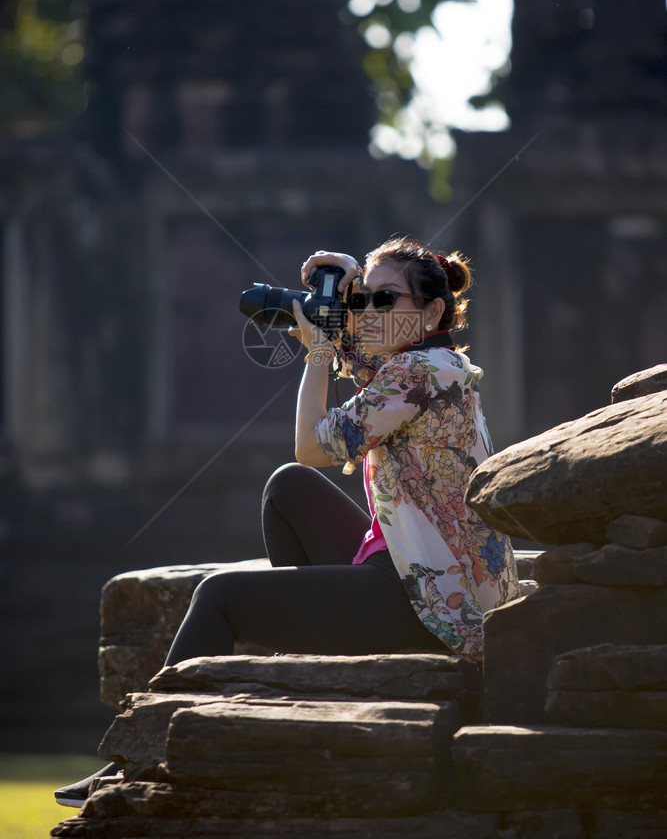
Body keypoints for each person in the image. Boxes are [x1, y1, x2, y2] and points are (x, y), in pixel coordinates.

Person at [55, 235, 519, 809]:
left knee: (221, 594)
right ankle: (311, 650)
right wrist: (346, 283)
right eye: (362, 300)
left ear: (430, 311)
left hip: (432, 605)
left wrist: (319, 354)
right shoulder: (421, 364)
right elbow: (366, 369)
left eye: (384, 301)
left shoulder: (424, 373)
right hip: (408, 573)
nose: (367, 312)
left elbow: (314, 444)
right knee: (288, 490)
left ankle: (138, 755)